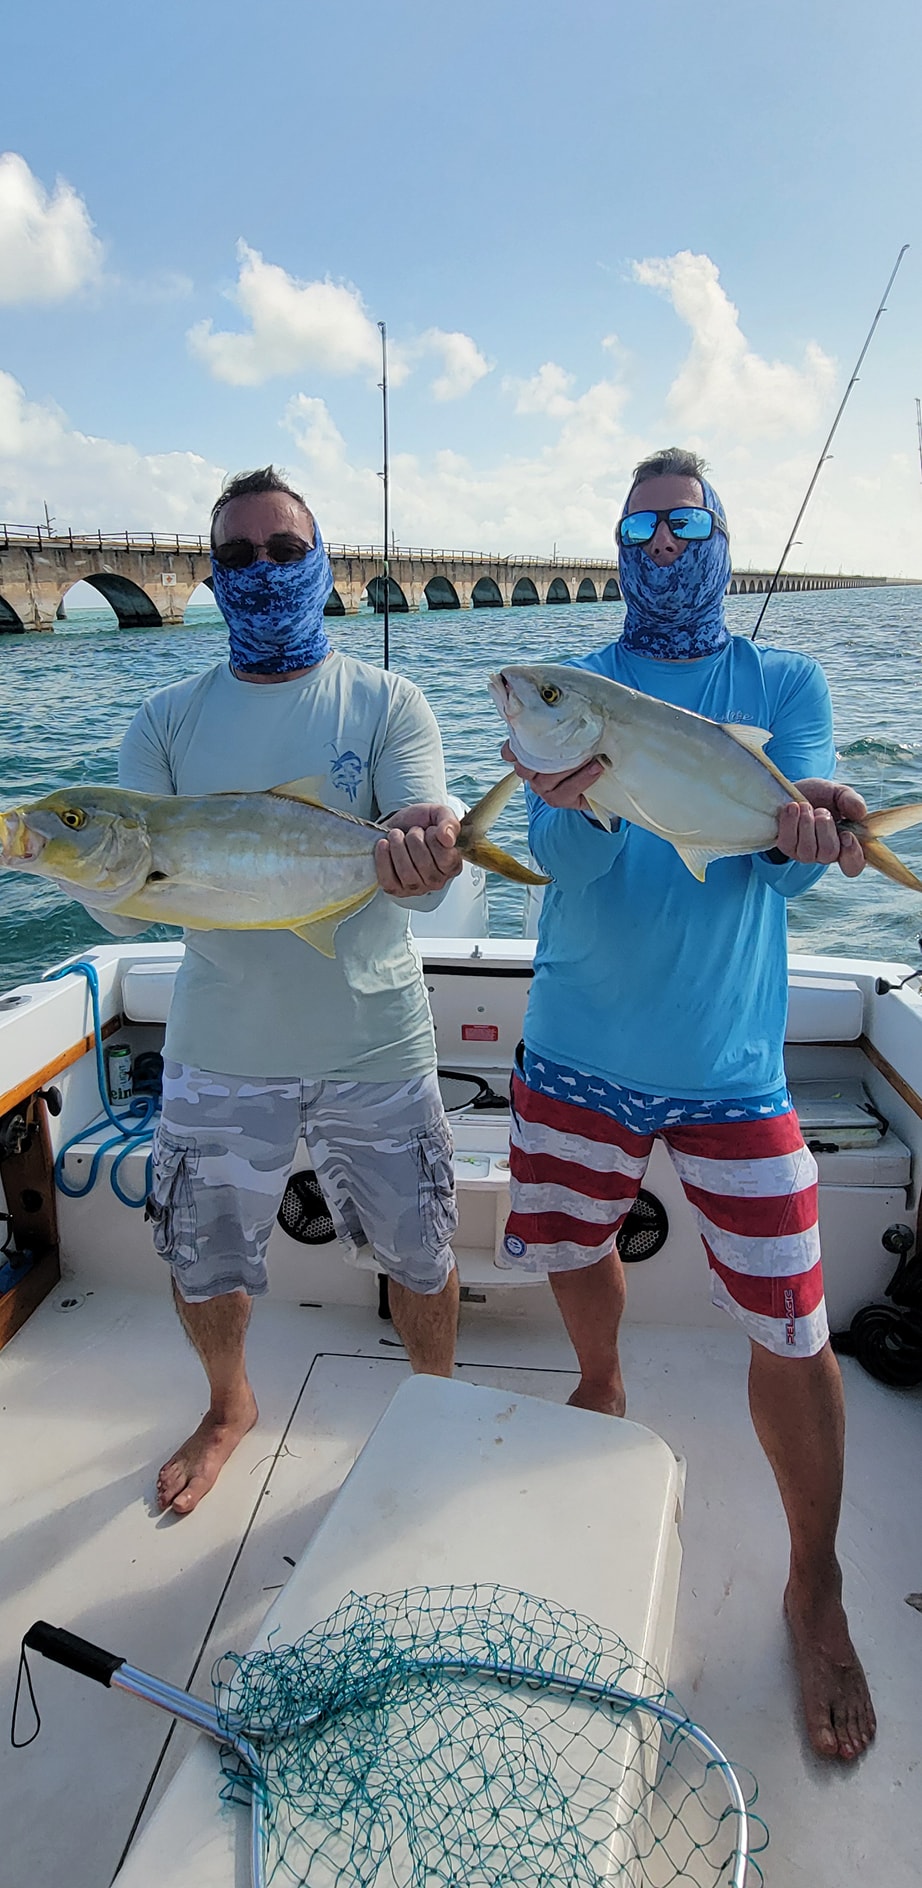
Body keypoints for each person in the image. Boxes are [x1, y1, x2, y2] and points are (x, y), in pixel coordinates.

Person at [499, 447, 876, 1764]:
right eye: (638, 524)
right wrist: (576, 807)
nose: (660, 545)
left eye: (683, 523)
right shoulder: (572, 694)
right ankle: (598, 1388)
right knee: (574, 1245)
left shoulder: (781, 686)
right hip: (577, 1047)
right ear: (613, 540)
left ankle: (814, 1585)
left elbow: (779, 868)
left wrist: (809, 834)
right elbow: (556, 866)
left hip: (730, 1066)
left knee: (792, 1321)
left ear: (719, 535)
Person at [119, 466, 464, 1517]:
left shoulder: (387, 699)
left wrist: (431, 854)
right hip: (221, 1042)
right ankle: (229, 1403)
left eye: (283, 549)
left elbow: (419, 820)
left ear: (323, 559)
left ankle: (433, 1406)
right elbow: (135, 904)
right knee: (201, 1257)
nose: (261, 568)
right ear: (210, 577)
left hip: (375, 1038)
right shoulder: (164, 720)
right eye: (236, 555)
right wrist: (67, 865)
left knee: (423, 1249)